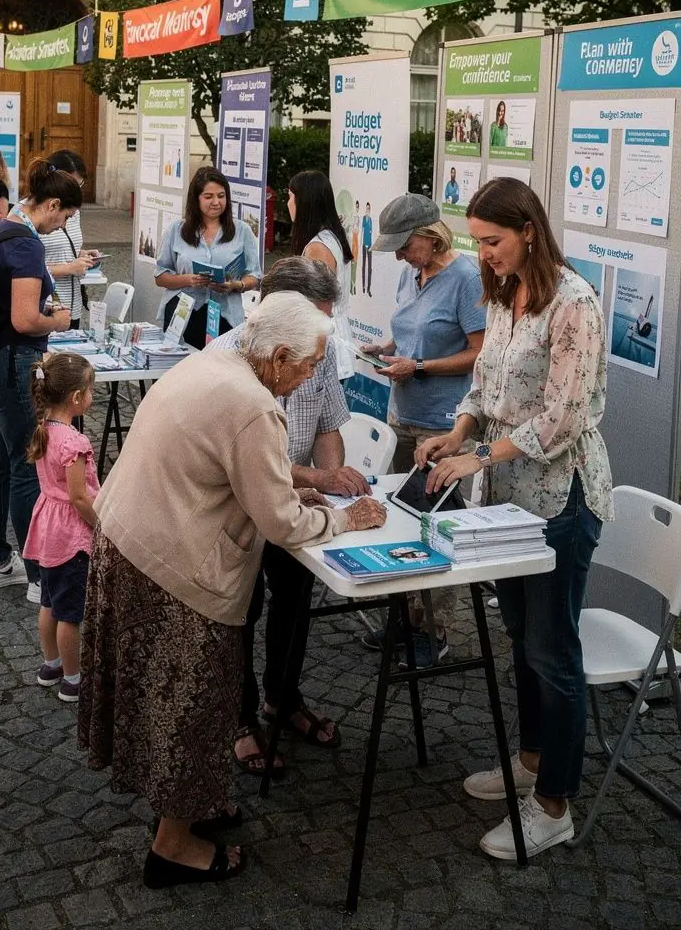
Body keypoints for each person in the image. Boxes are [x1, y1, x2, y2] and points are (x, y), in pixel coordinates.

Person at [79, 293, 387, 889]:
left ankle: (193, 807)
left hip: (133, 539)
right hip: (173, 565)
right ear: (276, 355)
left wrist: (291, 489)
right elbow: (280, 524)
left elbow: (237, 472)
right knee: (188, 705)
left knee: (167, 698)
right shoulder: (252, 403)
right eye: (306, 365)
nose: (309, 378)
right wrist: (349, 519)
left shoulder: (213, 363)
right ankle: (172, 849)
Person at [419, 178, 612, 861]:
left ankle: (554, 804)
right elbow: (483, 385)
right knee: (520, 639)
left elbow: (561, 417)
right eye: (476, 241)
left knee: (552, 653)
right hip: (507, 498)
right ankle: (530, 762)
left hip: (560, 499)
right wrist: (458, 430)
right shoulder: (502, 293)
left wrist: (478, 453)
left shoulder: (575, 303)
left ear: (529, 230)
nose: (484, 253)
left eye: (492, 241)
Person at [207, 257, 371, 774]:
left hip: (297, 503)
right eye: (313, 322)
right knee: (240, 609)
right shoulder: (228, 361)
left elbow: (328, 425)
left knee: (295, 600)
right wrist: (318, 481)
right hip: (238, 508)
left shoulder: (315, 352)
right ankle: (237, 718)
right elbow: (250, 463)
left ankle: (284, 698)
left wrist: (335, 479)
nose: (320, 341)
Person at [363, 194, 485, 665]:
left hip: (444, 422)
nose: (396, 255)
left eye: (403, 245)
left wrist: (422, 366)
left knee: (437, 524)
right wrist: (387, 347)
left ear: (431, 239)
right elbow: (410, 328)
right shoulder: (411, 272)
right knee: (401, 518)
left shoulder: (466, 278)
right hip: (405, 412)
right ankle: (405, 619)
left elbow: (480, 351)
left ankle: (434, 630)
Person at [0, 158, 80, 602]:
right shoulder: (28, 246)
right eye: (65, 216)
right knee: (24, 464)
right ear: (51, 204)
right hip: (12, 361)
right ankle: (38, 576)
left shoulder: (6, 226)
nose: (61, 227)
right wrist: (61, 322)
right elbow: (25, 317)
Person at [23, 353, 99, 704]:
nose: (93, 396)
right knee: (71, 614)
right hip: (70, 535)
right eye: (91, 390)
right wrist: (103, 525)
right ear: (76, 398)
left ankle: (49, 664)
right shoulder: (74, 443)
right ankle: (72, 679)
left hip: (47, 529)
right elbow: (79, 498)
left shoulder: (44, 429)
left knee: (49, 603)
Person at [154, 167, 261, 350]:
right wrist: (188, 280)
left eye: (221, 196)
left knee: (220, 372)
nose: (216, 202)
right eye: (208, 196)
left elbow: (255, 276)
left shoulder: (242, 231)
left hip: (225, 316)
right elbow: (160, 276)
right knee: (184, 371)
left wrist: (236, 285)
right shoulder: (177, 230)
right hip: (183, 314)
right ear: (196, 199)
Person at [288, 170, 355, 375]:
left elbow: (319, 302)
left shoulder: (318, 246)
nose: (288, 204)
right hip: (329, 338)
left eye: (290, 198)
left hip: (323, 343)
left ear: (304, 202)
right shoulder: (328, 236)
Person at [39, 150, 99, 328]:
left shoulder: (73, 210)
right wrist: (68, 268)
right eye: (73, 183)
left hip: (72, 305)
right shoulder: (29, 215)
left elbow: (60, 247)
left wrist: (82, 254)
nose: (76, 190)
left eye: (80, 185)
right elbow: (26, 268)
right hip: (47, 308)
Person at [360, 202, 373, 296]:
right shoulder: (364, 219)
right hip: (364, 244)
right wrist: (361, 243)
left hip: (370, 245)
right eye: (366, 209)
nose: (367, 211)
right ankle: (363, 287)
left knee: (369, 267)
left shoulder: (371, 220)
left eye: (368, 209)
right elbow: (362, 231)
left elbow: (371, 232)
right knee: (364, 266)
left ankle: (369, 288)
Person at [350, 200, 360, 295]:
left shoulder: (357, 218)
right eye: (355, 206)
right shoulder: (351, 218)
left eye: (357, 207)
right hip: (352, 240)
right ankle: (351, 285)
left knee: (355, 263)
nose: (356, 208)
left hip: (356, 240)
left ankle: (353, 285)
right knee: (351, 264)